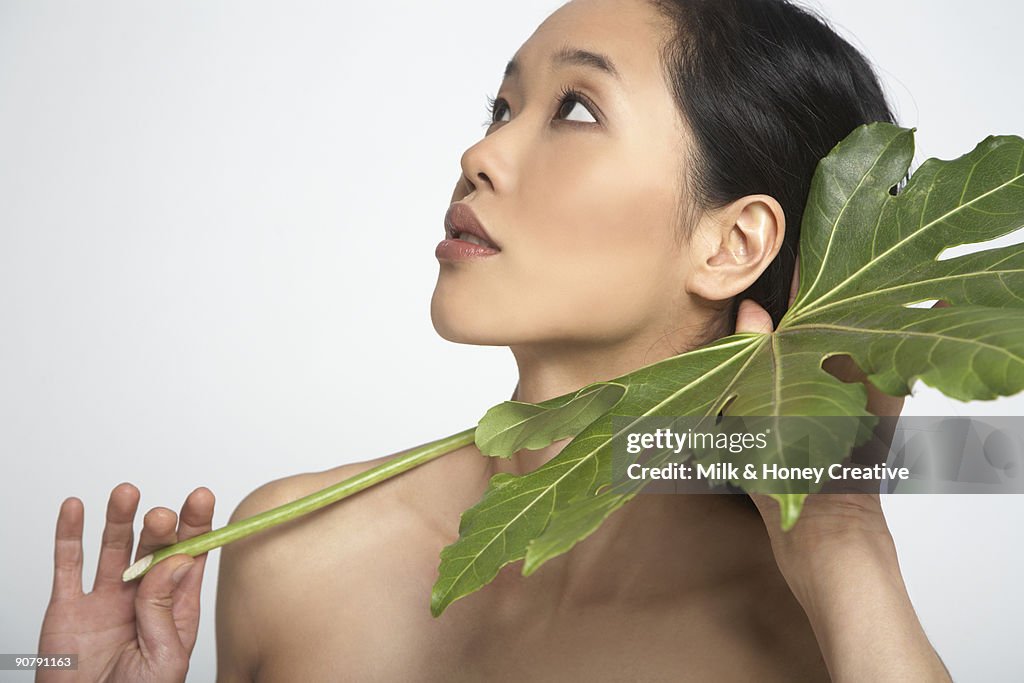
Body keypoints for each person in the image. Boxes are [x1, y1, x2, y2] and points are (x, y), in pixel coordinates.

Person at [38, 0, 954, 680]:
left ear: (732, 243)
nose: (481, 155)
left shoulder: (821, 635)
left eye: (578, 110)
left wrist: (843, 538)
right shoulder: (292, 552)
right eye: (502, 107)